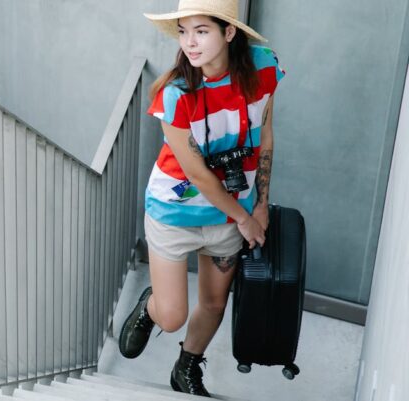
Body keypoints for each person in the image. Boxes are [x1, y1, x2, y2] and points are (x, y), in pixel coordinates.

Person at [117, 0, 285, 397]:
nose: (190, 43)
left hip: (233, 213)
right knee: (172, 315)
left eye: (202, 31)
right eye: (184, 31)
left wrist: (260, 204)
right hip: (176, 211)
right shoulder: (175, 93)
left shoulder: (264, 69)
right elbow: (196, 173)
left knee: (213, 304)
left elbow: (266, 136)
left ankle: (186, 368)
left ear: (228, 33)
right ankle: (151, 305)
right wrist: (245, 218)